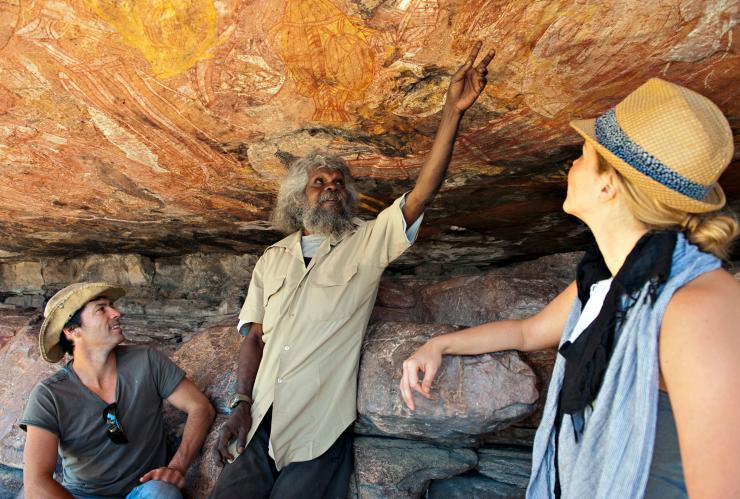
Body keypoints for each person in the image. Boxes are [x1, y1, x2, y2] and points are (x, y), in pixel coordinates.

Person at [400, 78, 740, 498]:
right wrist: (439, 345)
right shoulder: (607, 281)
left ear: (607, 185)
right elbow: (528, 332)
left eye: (581, 156)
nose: (571, 167)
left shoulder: (698, 304)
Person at [209, 42, 496, 499]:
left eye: (338, 183)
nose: (330, 188)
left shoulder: (365, 244)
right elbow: (253, 337)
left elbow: (422, 193)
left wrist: (451, 112)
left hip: (319, 430)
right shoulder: (271, 258)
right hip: (259, 419)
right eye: (318, 182)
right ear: (296, 198)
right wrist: (239, 405)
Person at [20, 282, 216, 498]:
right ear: (72, 330)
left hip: (142, 491)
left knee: (162, 492)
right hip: (81, 496)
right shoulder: (50, 396)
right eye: (101, 309)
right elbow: (36, 484)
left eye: (112, 306)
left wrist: (177, 467)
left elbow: (201, 407)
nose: (116, 313)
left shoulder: (147, 362)